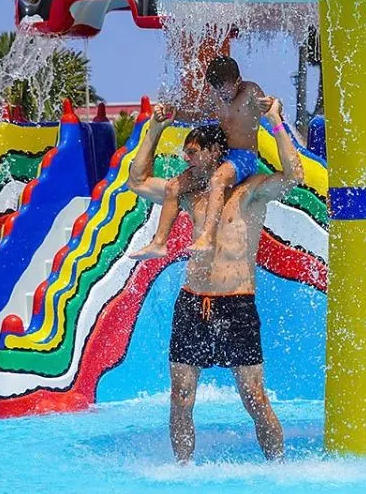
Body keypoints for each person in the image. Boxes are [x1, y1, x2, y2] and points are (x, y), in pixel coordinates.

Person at [128, 97, 304, 463]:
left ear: (213, 152)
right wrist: (154, 130)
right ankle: (182, 473)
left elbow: (294, 176)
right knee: (180, 397)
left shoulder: (249, 192)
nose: (187, 159)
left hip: (237, 303)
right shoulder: (189, 194)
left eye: (193, 152)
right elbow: (137, 181)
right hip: (194, 303)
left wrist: (275, 122)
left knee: (255, 398)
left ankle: (279, 469)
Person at [130, 56, 269, 260]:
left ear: (238, 81)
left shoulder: (250, 91)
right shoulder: (218, 97)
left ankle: (207, 238)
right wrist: (175, 114)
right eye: (217, 90)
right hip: (222, 156)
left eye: (225, 89)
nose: (222, 95)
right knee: (173, 188)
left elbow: (267, 105)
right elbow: (200, 115)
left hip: (244, 157)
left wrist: (273, 105)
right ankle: (159, 243)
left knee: (217, 180)